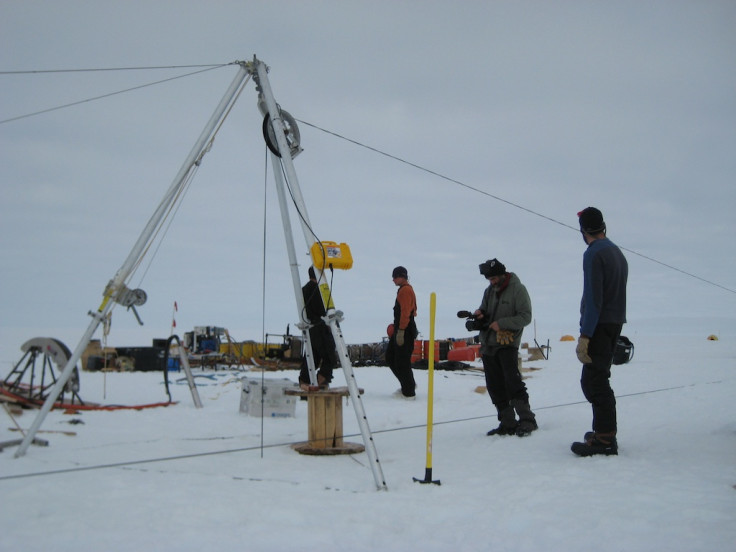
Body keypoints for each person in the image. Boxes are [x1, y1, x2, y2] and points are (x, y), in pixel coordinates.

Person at [571, 207, 628, 456]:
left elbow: (594, 298)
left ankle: (605, 439)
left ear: (584, 230)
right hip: (614, 323)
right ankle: (602, 431)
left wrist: (585, 335)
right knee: (596, 379)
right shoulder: (616, 252)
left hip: (599, 326)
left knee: (595, 382)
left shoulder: (593, 254)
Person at [473, 258, 537, 437]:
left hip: (507, 344)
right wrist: (480, 314)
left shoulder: (518, 289)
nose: (492, 282)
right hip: (488, 344)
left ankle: (527, 420)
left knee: (513, 381)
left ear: (502, 274)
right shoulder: (489, 291)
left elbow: (525, 317)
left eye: (494, 279)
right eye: (489, 279)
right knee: (494, 385)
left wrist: (501, 324)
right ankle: (507, 422)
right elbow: (484, 310)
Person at [298, 266, 337, 390]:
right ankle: (322, 379)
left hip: (310, 327)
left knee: (312, 355)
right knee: (329, 354)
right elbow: (322, 310)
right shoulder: (318, 290)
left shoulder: (304, 289)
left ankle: (305, 381)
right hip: (320, 326)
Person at [385, 266, 418, 399]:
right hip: (401, 328)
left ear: (401, 276)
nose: (393, 280)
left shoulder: (405, 291)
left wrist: (401, 331)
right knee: (391, 357)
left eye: (395, 277)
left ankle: (409, 393)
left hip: (404, 330)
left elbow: (406, 312)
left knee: (401, 361)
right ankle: (408, 385)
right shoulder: (404, 290)